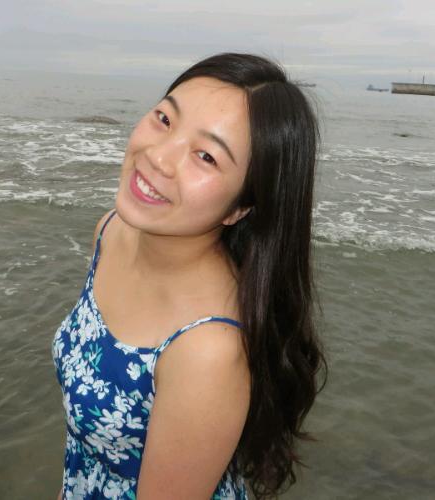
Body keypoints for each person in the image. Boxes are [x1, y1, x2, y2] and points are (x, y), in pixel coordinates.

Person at [52, 52, 327, 500]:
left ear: (242, 207)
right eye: (164, 118)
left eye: (205, 156)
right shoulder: (111, 232)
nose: (158, 157)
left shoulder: (207, 349)